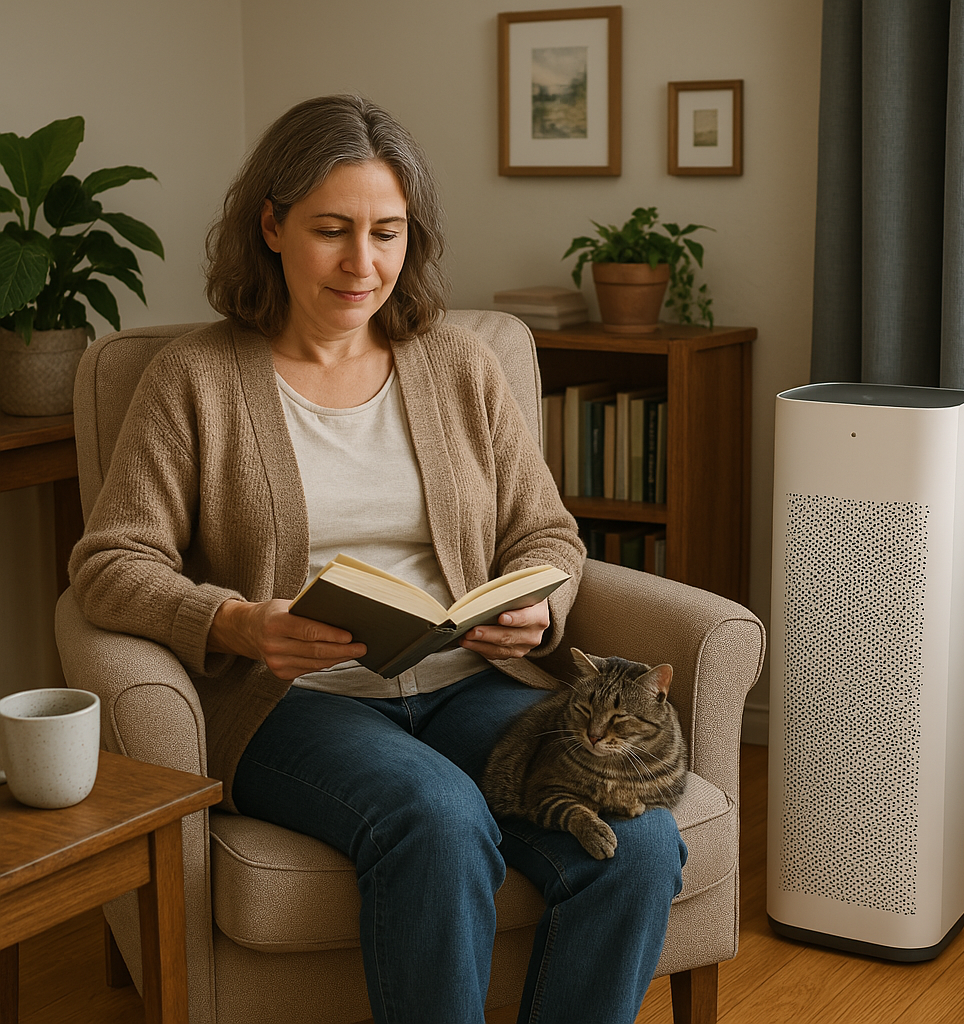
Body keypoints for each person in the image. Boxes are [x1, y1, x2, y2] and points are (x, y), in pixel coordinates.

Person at [69, 94, 686, 1024]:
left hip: (473, 680)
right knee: (437, 819)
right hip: (298, 704)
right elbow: (111, 562)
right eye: (332, 230)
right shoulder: (192, 380)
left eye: (388, 233)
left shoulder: (460, 365)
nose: (364, 265)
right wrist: (238, 622)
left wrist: (541, 606)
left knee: (638, 844)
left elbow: (545, 531)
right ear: (271, 226)